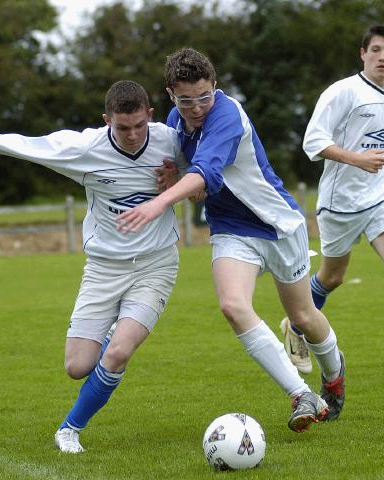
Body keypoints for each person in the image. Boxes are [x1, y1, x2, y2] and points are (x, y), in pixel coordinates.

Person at [0, 80, 186, 453]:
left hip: (156, 265)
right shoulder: (85, 148)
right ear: (106, 121)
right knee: (77, 366)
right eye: (122, 128)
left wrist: (178, 178)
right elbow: (28, 147)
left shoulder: (172, 141)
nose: (133, 135)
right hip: (103, 269)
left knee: (118, 353)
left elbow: (208, 177)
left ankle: (70, 429)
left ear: (150, 116)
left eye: (139, 125)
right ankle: (114, 331)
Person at [117, 48, 346, 428]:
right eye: (186, 99)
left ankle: (334, 378)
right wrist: (175, 178)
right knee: (232, 305)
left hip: (277, 226)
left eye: (204, 96)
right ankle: (301, 394)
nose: (196, 107)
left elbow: (206, 172)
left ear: (215, 86)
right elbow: (200, 185)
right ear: (171, 94)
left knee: (303, 316)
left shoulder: (227, 114)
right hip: (230, 229)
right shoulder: (176, 122)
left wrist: (161, 201)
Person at [299, 24, 384, 379]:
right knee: (332, 277)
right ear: (363, 54)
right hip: (340, 202)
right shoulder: (342, 93)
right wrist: (356, 159)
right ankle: (297, 324)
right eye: (376, 50)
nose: (383, 57)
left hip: (383, 195)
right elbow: (313, 142)